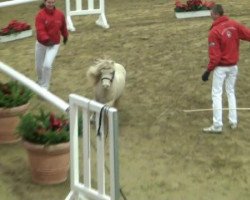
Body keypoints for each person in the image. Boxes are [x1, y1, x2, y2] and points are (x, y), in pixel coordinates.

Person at [201, 4, 250, 133]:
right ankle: (233, 121)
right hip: (233, 66)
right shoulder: (234, 24)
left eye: (211, 12)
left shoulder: (214, 32)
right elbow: (248, 34)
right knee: (230, 92)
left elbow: (215, 57)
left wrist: (208, 71)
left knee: (216, 94)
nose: (210, 14)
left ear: (217, 14)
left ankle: (217, 125)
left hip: (221, 68)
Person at [35, 0, 68, 90]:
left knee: (47, 65)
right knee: (38, 66)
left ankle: (45, 87)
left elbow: (63, 26)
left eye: (52, 2)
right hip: (41, 44)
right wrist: (46, 39)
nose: (51, 4)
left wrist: (65, 36)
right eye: (49, 2)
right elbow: (40, 30)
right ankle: (40, 80)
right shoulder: (40, 15)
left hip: (54, 44)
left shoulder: (60, 14)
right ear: (45, 2)